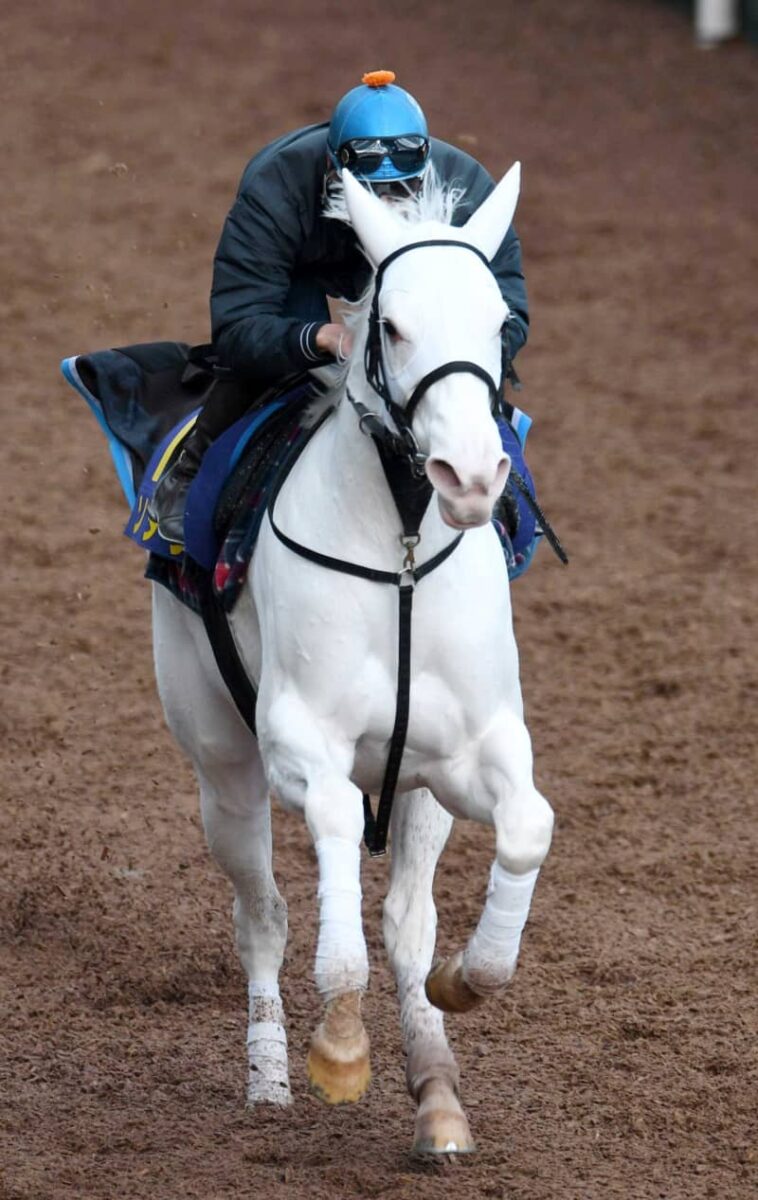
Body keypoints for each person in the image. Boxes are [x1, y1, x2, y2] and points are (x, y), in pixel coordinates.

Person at [151, 70, 534, 567]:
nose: (388, 205)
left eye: (403, 189)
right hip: (305, 271)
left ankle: (506, 485)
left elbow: (509, 315)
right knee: (274, 371)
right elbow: (238, 325)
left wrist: (453, 346)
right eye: (374, 192)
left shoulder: (468, 189)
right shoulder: (275, 189)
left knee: (459, 356)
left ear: (426, 170)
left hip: (418, 281)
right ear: (333, 171)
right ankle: (194, 467)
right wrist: (321, 337)